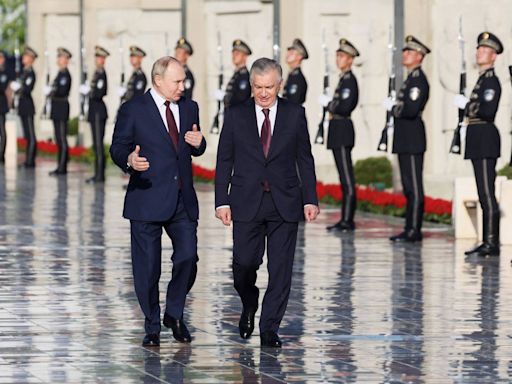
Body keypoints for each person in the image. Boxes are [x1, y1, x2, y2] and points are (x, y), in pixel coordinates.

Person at [215, 58, 319, 348]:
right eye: (258, 87)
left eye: (269, 87)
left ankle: (270, 326)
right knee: (244, 264)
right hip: (246, 200)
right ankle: (249, 302)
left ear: (280, 85)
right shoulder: (235, 115)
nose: (263, 93)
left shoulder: (295, 113)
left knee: (281, 268)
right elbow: (224, 159)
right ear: (251, 85)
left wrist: (310, 198)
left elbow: (304, 158)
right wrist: (221, 200)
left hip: (284, 201)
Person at [110, 56, 206, 347]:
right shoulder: (133, 109)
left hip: (181, 200)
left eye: (184, 80)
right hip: (147, 198)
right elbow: (117, 146)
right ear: (158, 81)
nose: (182, 86)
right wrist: (129, 160)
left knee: (188, 257)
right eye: (177, 81)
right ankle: (152, 324)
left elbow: (195, 145)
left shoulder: (189, 107)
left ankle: (174, 313)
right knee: (148, 268)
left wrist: (199, 143)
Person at [454, 32, 503, 257]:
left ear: (493, 56)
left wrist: (466, 106)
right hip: (477, 137)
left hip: (485, 137)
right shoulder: (482, 80)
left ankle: (491, 242)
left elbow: (487, 110)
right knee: (482, 192)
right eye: (478, 49)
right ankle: (486, 240)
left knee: (487, 192)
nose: (478, 52)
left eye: (484, 50)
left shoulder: (491, 81)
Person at [383, 35, 430, 242]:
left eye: (409, 52)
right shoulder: (410, 79)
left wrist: (393, 108)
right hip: (405, 137)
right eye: (405, 51)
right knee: (408, 186)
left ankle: (415, 229)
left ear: (419, 56)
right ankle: (409, 226)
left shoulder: (418, 80)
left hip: (412, 138)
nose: (405, 54)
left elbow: (410, 110)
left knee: (415, 186)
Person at [322, 38, 360, 232]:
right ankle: (345, 217)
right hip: (337, 129)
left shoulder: (349, 81)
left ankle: (348, 219)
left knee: (347, 178)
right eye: (337, 55)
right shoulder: (342, 80)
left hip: (343, 129)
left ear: (351, 60)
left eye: (342, 56)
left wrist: (329, 105)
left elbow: (344, 106)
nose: (339, 59)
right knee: (342, 177)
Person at [81, 45, 109, 183]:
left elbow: (99, 93)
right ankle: (97, 173)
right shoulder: (96, 73)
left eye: (100, 57)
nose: (98, 60)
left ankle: (100, 175)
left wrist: (89, 91)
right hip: (94, 111)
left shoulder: (102, 74)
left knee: (98, 144)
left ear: (104, 60)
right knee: (95, 144)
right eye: (97, 57)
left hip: (98, 111)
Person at [47, 47, 72, 176]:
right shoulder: (59, 74)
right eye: (58, 57)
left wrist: (52, 91)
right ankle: (60, 165)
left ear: (66, 60)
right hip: (57, 107)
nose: (59, 59)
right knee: (58, 138)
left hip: (61, 107)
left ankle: (62, 167)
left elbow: (62, 91)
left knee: (62, 138)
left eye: (61, 57)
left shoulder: (65, 75)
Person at [11, 47, 38, 167]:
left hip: (28, 106)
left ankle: (31, 161)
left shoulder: (31, 73)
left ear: (31, 59)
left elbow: (27, 89)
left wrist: (19, 88)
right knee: (27, 135)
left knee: (30, 135)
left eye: (26, 56)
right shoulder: (23, 72)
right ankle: (28, 159)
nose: (23, 57)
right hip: (22, 105)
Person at [215, 39, 252, 109]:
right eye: (233, 53)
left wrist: (224, 97)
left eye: (237, 54)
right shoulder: (236, 74)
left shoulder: (244, 76)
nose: (234, 56)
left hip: (239, 117)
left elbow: (241, 98)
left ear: (245, 56)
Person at [283, 38, 308, 105]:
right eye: (288, 51)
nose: (288, 54)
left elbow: (292, 103)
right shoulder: (291, 75)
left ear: (299, 57)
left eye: (292, 52)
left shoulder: (298, 79)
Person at [0, 51, 9, 164]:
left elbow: (2, 87)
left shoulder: (4, 73)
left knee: (2, 131)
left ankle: (1, 155)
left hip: (1, 105)